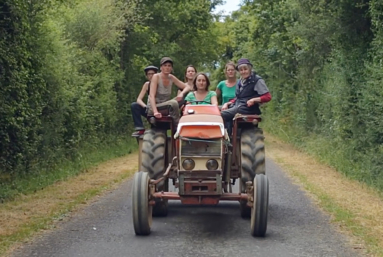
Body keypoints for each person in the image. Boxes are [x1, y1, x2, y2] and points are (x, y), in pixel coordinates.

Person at [221, 58, 272, 135]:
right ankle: (228, 136)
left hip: (247, 108)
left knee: (222, 114)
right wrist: (227, 103)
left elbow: (267, 97)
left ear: (250, 69)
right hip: (238, 105)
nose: (243, 71)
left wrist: (254, 100)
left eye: (245, 69)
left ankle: (225, 137)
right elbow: (239, 97)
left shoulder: (257, 80)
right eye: (241, 70)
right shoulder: (240, 81)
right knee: (217, 109)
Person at [147, 57, 190, 126]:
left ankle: (187, 118)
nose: (167, 67)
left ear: (171, 68)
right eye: (165, 65)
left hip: (166, 105)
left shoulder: (171, 77)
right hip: (155, 106)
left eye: (169, 66)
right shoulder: (156, 77)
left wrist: (181, 94)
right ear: (161, 67)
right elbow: (151, 95)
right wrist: (155, 112)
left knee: (185, 97)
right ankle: (178, 126)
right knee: (173, 103)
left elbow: (187, 87)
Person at [131, 65, 158, 137]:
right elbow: (139, 99)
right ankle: (140, 128)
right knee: (134, 105)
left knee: (156, 130)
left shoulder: (160, 84)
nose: (151, 76)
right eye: (149, 74)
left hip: (159, 109)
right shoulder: (147, 85)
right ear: (146, 76)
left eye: (153, 74)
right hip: (149, 109)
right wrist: (145, 107)